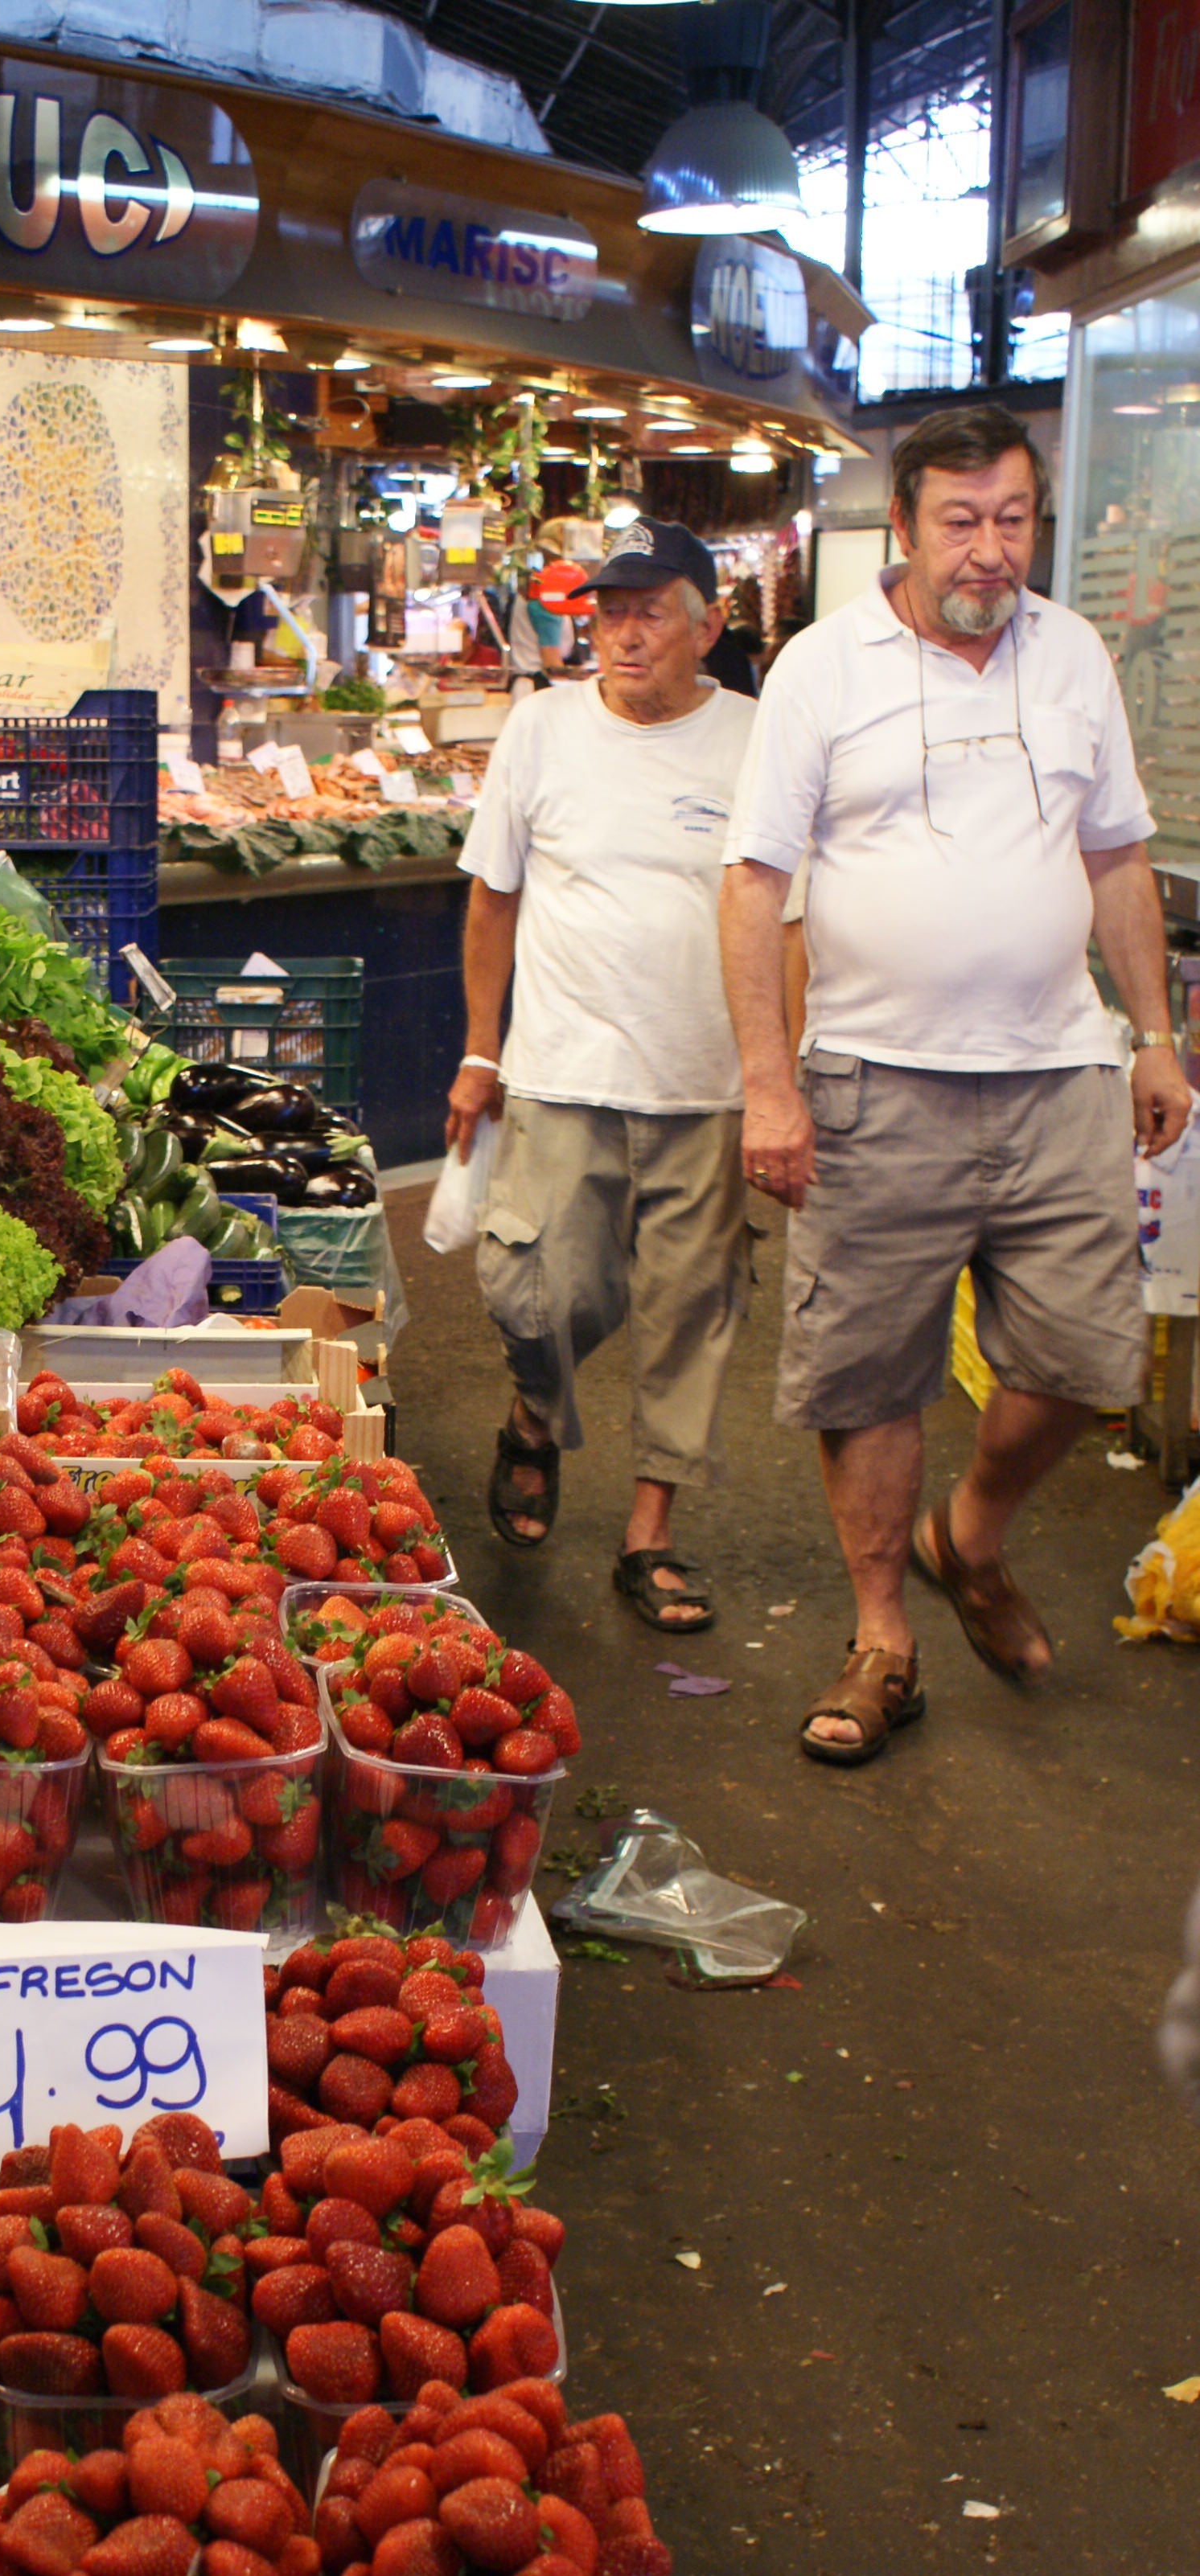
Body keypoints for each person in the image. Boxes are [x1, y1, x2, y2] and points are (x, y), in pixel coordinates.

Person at [719, 401, 1191, 1765]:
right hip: (874, 1080)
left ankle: (968, 1535)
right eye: (962, 522)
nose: (990, 551)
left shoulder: (1074, 652)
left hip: (1059, 1072)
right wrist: (769, 1085)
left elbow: (1116, 858)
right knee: (867, 1374)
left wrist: (1153, 1034)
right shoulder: (823, 666)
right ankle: (884, 1639)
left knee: (1088, 1358)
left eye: (1013, 520)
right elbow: (752, 885)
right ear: (906, 524)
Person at [449, 518, 758, 1633]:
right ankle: (536, 1411)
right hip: (561, 1070)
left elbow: (788, 914)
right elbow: (493, 896)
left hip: (707, 1084)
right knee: (542, 1290)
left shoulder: (756, 739)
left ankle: (650, 1535)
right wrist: (480, 1049)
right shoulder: (541, 727)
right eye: (610, 614)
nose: (623, 635)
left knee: (688, 1314)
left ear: (706, 628)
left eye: (649, 613)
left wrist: (780, 1079)